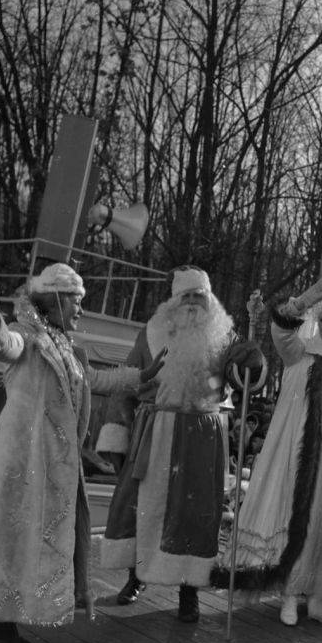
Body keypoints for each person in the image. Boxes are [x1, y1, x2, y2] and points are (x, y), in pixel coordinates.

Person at [0, 264, 164, 643]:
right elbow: (3, 345)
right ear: (55, 299)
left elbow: (92, 380)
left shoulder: (64, 345)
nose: (81, 311)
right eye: (77, 301)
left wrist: (140, 376)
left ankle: (7, 622)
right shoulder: (32, 339)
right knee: (9, 542)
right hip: (21, 462)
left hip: (50, 467)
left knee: (29, 544)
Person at [100, 266, 264, 623]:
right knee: (142, 509)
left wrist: (253, 359)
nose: (192, 303)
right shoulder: (150, 334)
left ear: (209, 301)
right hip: (154, 430)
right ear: (174, 301)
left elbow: (244, 379)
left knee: (195, 515)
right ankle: (136, 577)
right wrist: (117, 434)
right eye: (185, 296)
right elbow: (127, 382)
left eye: (198, 296)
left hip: (203, 437)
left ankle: (188, 592)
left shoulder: (225, 337)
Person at [223, 277, 322, 626]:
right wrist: (303, 302)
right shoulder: (302, 352)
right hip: (301, 453)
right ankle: (290, 593)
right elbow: (281, 332)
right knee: (299, 518)